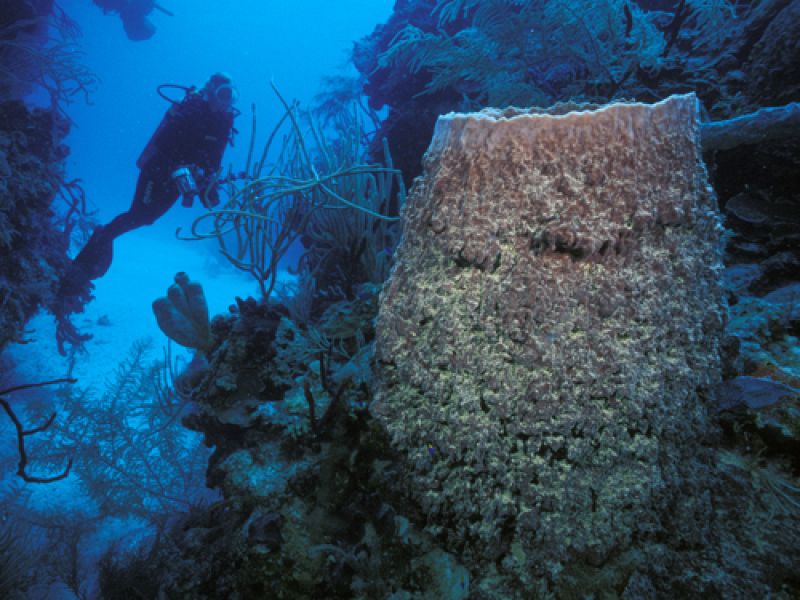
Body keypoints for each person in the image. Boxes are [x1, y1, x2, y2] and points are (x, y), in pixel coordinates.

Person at [54, 72, 238, 353]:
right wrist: (178, 167)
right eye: (222, 94)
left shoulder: (224, 121)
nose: (226, 102)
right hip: (158, 170)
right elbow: (164, 144)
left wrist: (208, 183)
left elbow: (216, 158)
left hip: (182, 178)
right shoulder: (191, 111)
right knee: (138, 215)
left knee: (147, 218)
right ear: (212, 92)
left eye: (231, 96)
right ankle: (88, 258)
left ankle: (101, 242)